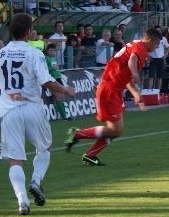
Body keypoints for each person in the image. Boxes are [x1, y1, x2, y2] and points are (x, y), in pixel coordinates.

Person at [0, 13, 77, 215]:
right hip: (32, 108)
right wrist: (66, 90)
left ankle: (22, 201)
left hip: (9, 110)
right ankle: (36, 181)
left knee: (14, 159)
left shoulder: (0, 54)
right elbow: (45, 80)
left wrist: (11, 93)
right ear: (29, 32)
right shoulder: (33, 53)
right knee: (44, 147)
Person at [64, 27, 163, 166]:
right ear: (149, 40)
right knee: (115, 130)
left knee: (116, 130)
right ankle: (77, 135)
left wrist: (136, 94)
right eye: (157, 43)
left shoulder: (136, 46)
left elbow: (126, 72)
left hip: (114, 90)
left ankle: (90, 155)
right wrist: (135, 73)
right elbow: (132, 61)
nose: (157, 46)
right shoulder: (140, 49)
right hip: (109, 90)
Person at [44, 43, 70, 121]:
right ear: (47, 51)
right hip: (52, 79)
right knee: (58, 96)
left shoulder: (54, 58)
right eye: (50, 50)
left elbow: (55, 68)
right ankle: (64, 117)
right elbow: (44, 69)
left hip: (58, 78)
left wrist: (57, 69)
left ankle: (63, 114)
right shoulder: (45, 58)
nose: (52, 52)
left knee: (61, 96)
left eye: (53, 51)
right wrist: (52, 68)